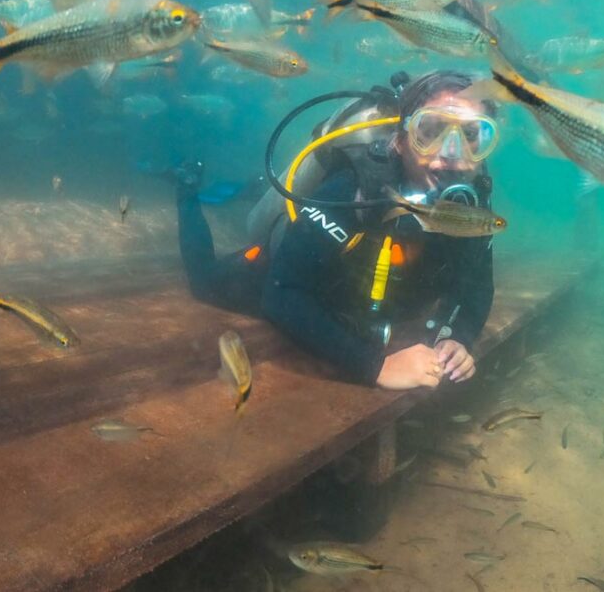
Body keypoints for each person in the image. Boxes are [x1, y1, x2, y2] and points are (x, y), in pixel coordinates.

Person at [175, 70, 499, 390]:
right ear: (401, 141)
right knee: (204, 282)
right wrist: (375, 366)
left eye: (472, 134)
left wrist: (458, 336)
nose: (452, 153)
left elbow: (478, 285)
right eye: (431, 130)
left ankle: (249, 187)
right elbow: (281, 292)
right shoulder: (353, 191)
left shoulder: (471, 204)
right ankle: (187, 186)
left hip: (363, 305)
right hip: (299, 280)